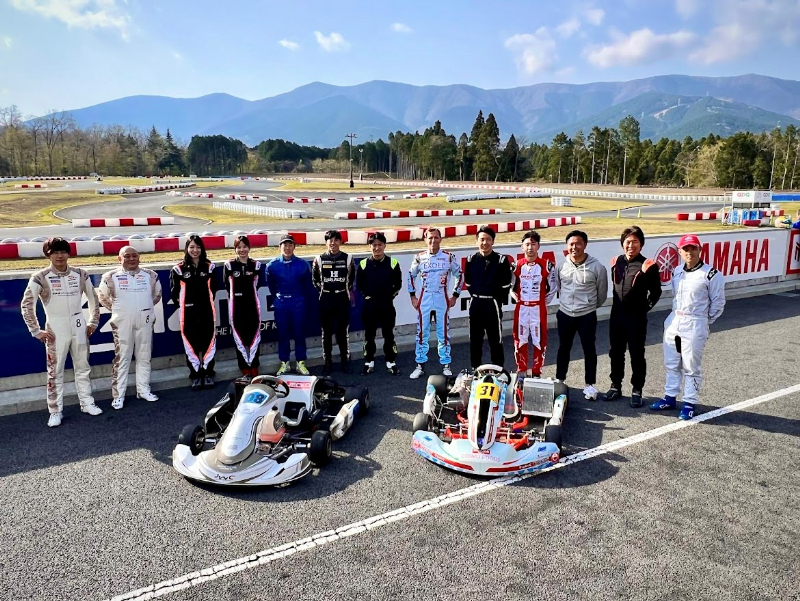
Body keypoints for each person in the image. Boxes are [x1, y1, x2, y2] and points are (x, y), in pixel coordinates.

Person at [21, 237, 102, 427]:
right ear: (48, 255)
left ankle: (87, 403)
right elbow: (26, 305)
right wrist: (36, 330)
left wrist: (93, 322)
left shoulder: (80, 274)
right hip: (55, 328)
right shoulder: (40, 276)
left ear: (68, 254)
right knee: (55, 371)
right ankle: (55, 410)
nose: (60, 256)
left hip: (79, 325)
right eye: (55, 252)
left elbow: (94, 299)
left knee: (83, 367)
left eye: (63, 252)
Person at [651, 234, 725, 420]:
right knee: (671, 363)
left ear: (700, 250)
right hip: (674, 320)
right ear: (680, 251)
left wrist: (704, 321)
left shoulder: (711, 274)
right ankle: (669, 397)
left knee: (691, 366)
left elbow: (718, 303)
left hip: (695, 322)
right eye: (685, 248)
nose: (689, 252)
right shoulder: (677, 271)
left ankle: (689, 402)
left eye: (693, 248)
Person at [98, 245, 162, 410]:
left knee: (144, 357)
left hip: (145, 321)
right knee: (122, 358)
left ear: (139, 257)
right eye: (127, 256)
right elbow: (103, 297)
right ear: (119, 259)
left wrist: (143, 309)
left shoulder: (151, 275)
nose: (131, 259)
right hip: (122, 323)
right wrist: (120, 311)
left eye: (135, 255)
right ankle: (118, 395)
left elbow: (157, 296)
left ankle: (143, 390)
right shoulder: (110, 276)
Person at [605, 226, 662, 407]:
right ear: (622, 243)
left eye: (635, 242)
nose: (631, 245)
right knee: (615, 352)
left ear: (641, 244)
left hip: (636, 319)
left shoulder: (648, 265)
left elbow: (656, 293)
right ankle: (615, 385)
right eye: (628, 242)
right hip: (616, 316)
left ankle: (637, 389)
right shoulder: (615, 262)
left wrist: (644, 309)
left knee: (637, 354)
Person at [555, 230, 608, 401]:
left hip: (586, 315)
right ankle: (560, 379)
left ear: (585, 245)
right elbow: (559, 286)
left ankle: (589, 384)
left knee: (589, 350)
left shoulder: (597, 267)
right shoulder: (561, 266)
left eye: (578, 243)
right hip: (565, 314)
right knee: (563, 348)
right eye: (571, 244)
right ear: (567, 245)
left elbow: (601, 294)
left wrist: (589, 306)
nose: (574, 247)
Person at [408, 227, 463, 379]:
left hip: (441, 298)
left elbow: (460, 275)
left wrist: (455, 295)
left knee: (443, 333)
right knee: (421, 333)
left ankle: (446, 364)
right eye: (430, 238)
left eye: (436, 237)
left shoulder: (448, 257)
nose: (433, 240)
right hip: (425, 299)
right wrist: (413, 296)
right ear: (425, 240)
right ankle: (420, 365)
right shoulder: (419, 257)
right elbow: (410, 276)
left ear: (440, 239)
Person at [170, 235, 218, 391]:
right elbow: (174, 294)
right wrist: (189, 305)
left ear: (202, 249)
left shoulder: (210, 267)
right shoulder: (178, 269)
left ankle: (208, 373)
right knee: (191, 343)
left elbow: (214, 289)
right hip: (188, 313)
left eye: (198, 247)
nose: (195, 250)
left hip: (207, 311)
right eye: (191, 247)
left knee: (208, 342)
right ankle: (196, 375)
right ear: (186, 249)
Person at [463, 226, 513, 369]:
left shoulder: (501, 260)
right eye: (482, 239)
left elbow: (505, 285)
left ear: (493, 241)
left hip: (492, 304)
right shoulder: (471, 260)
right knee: (475, 340)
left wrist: (494, 299)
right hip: (476, 303)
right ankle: (475, 369)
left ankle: (498, 370)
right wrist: (479, 295)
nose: (485, 243)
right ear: (477, 241)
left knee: (495, 340)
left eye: (488, 240)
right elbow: (468, 283)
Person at [355, 232, 403, 376]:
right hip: (370, 305)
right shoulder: (363, 264)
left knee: (388, 334)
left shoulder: (393, 263)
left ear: (384, 246)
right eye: (374, 245)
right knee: (369, 335)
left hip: (387, 304)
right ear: (370, 246)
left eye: (379, 245)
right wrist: (368, 296)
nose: (377, 248)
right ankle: (369, 361)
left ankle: (391, 361)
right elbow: (359, 285)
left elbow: (398, 284)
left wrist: (388, 296)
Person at [511, 230, 558, 377]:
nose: (530, 247)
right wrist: (517, 298)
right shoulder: (516, 266)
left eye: (533, 244)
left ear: (538, 246)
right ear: (522, 247)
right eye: (527, 244)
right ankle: (522, 370)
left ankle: (537, 372)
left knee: (539, 340)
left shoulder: (547, 265)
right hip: (522, 308)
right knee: (520, 339)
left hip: (538, 308)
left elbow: (553, 288)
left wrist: (542, 302)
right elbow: (510, 287)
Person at [266, 234, 312, 376]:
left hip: (298, 303)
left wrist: (300, 299)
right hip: (281, 303)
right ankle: (284, 363)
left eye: (290, 244)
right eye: (284, 245)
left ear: (294, 247)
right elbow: (271, 286)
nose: (287, 247)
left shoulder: (303, 265)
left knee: (299, 332)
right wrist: (278, 299)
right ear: (280, 247)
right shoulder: (272, 265)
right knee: (283, 333)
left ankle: (300, 362)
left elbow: (307, 286)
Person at [312, 230, 355, 375]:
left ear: (340, 242)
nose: (333, 243)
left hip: (342, 298)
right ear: (326, 242)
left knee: (343, 332)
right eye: (330, 240)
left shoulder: (348, 258)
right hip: (326, 299)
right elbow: (315, 280)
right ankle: (327, 363)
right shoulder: (319, 259)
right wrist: (325, 290)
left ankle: (345, 361)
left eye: (336, 240)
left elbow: (351, 279)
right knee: (326, 332)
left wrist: (342, 290)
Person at [223, 236, 263, 377]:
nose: (242, 250)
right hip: (236, 306)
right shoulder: (229, 265)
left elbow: (257, 284)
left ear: (249, 248)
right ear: (235, 249)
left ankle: (254, 365)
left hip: (252, 304)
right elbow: (227, 286)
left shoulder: (256, 265)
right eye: (238, 247)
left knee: (255, 335)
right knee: (239, 337)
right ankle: (244, 367)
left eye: (244, 246)